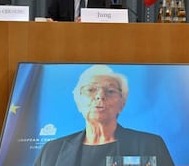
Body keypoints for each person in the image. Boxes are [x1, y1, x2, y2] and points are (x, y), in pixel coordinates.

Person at [34, 65, 175, 166]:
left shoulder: (150, 145)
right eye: (90, 89)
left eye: (110, 91)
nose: (100, 96)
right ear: (78, 100)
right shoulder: (51, 151)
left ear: (122, 102)